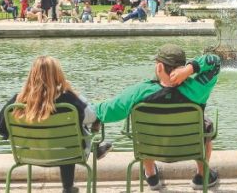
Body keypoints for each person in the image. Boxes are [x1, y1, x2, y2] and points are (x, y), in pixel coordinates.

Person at [95, 45, 221, 190]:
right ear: (182, 66)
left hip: (153, 146)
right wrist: (190, 69)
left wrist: (81, 105)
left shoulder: (139, 92)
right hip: (188, 147)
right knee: (206, 125)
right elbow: (215, 62)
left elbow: (107, 111)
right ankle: (202, 174)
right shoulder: (198, 89)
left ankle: (151, 175)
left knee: (143, 129)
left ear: (159, 67)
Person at [0, 56, 111, 193]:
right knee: (69, 138)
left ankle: (69, 185)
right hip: (68, 153)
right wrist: (73, 93)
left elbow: (0, 127)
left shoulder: (17, 101)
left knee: (66, 138)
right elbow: (91, 116)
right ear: (58, 75)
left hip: (29, 153)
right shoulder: (68, 99)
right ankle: (68, 186)